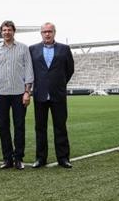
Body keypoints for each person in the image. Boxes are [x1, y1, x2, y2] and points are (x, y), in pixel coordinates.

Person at [0, 20, 33, 170]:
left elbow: (29, 71)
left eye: (9, 30)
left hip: (19, 93)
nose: (6, 32)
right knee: (3, 127)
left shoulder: (24, 48)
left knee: (19, 126)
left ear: (14, 31)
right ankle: (7, 159)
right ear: (1, 32)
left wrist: (27, 92)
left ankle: (19, 158)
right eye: (4, 30)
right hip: (1, 93)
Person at [29, 22, 74, 169]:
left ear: (54, 32)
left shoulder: (64, 49)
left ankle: (63, 158)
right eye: (44, 32)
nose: (47, 34)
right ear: (41, 33)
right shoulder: (33, 49)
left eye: (50, 31)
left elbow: (70, 69)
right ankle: (40, 158)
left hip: (58, 94)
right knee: (40, 128)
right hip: (40, 94)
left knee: (60, 127)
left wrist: (59, 83)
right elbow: (30, 71)